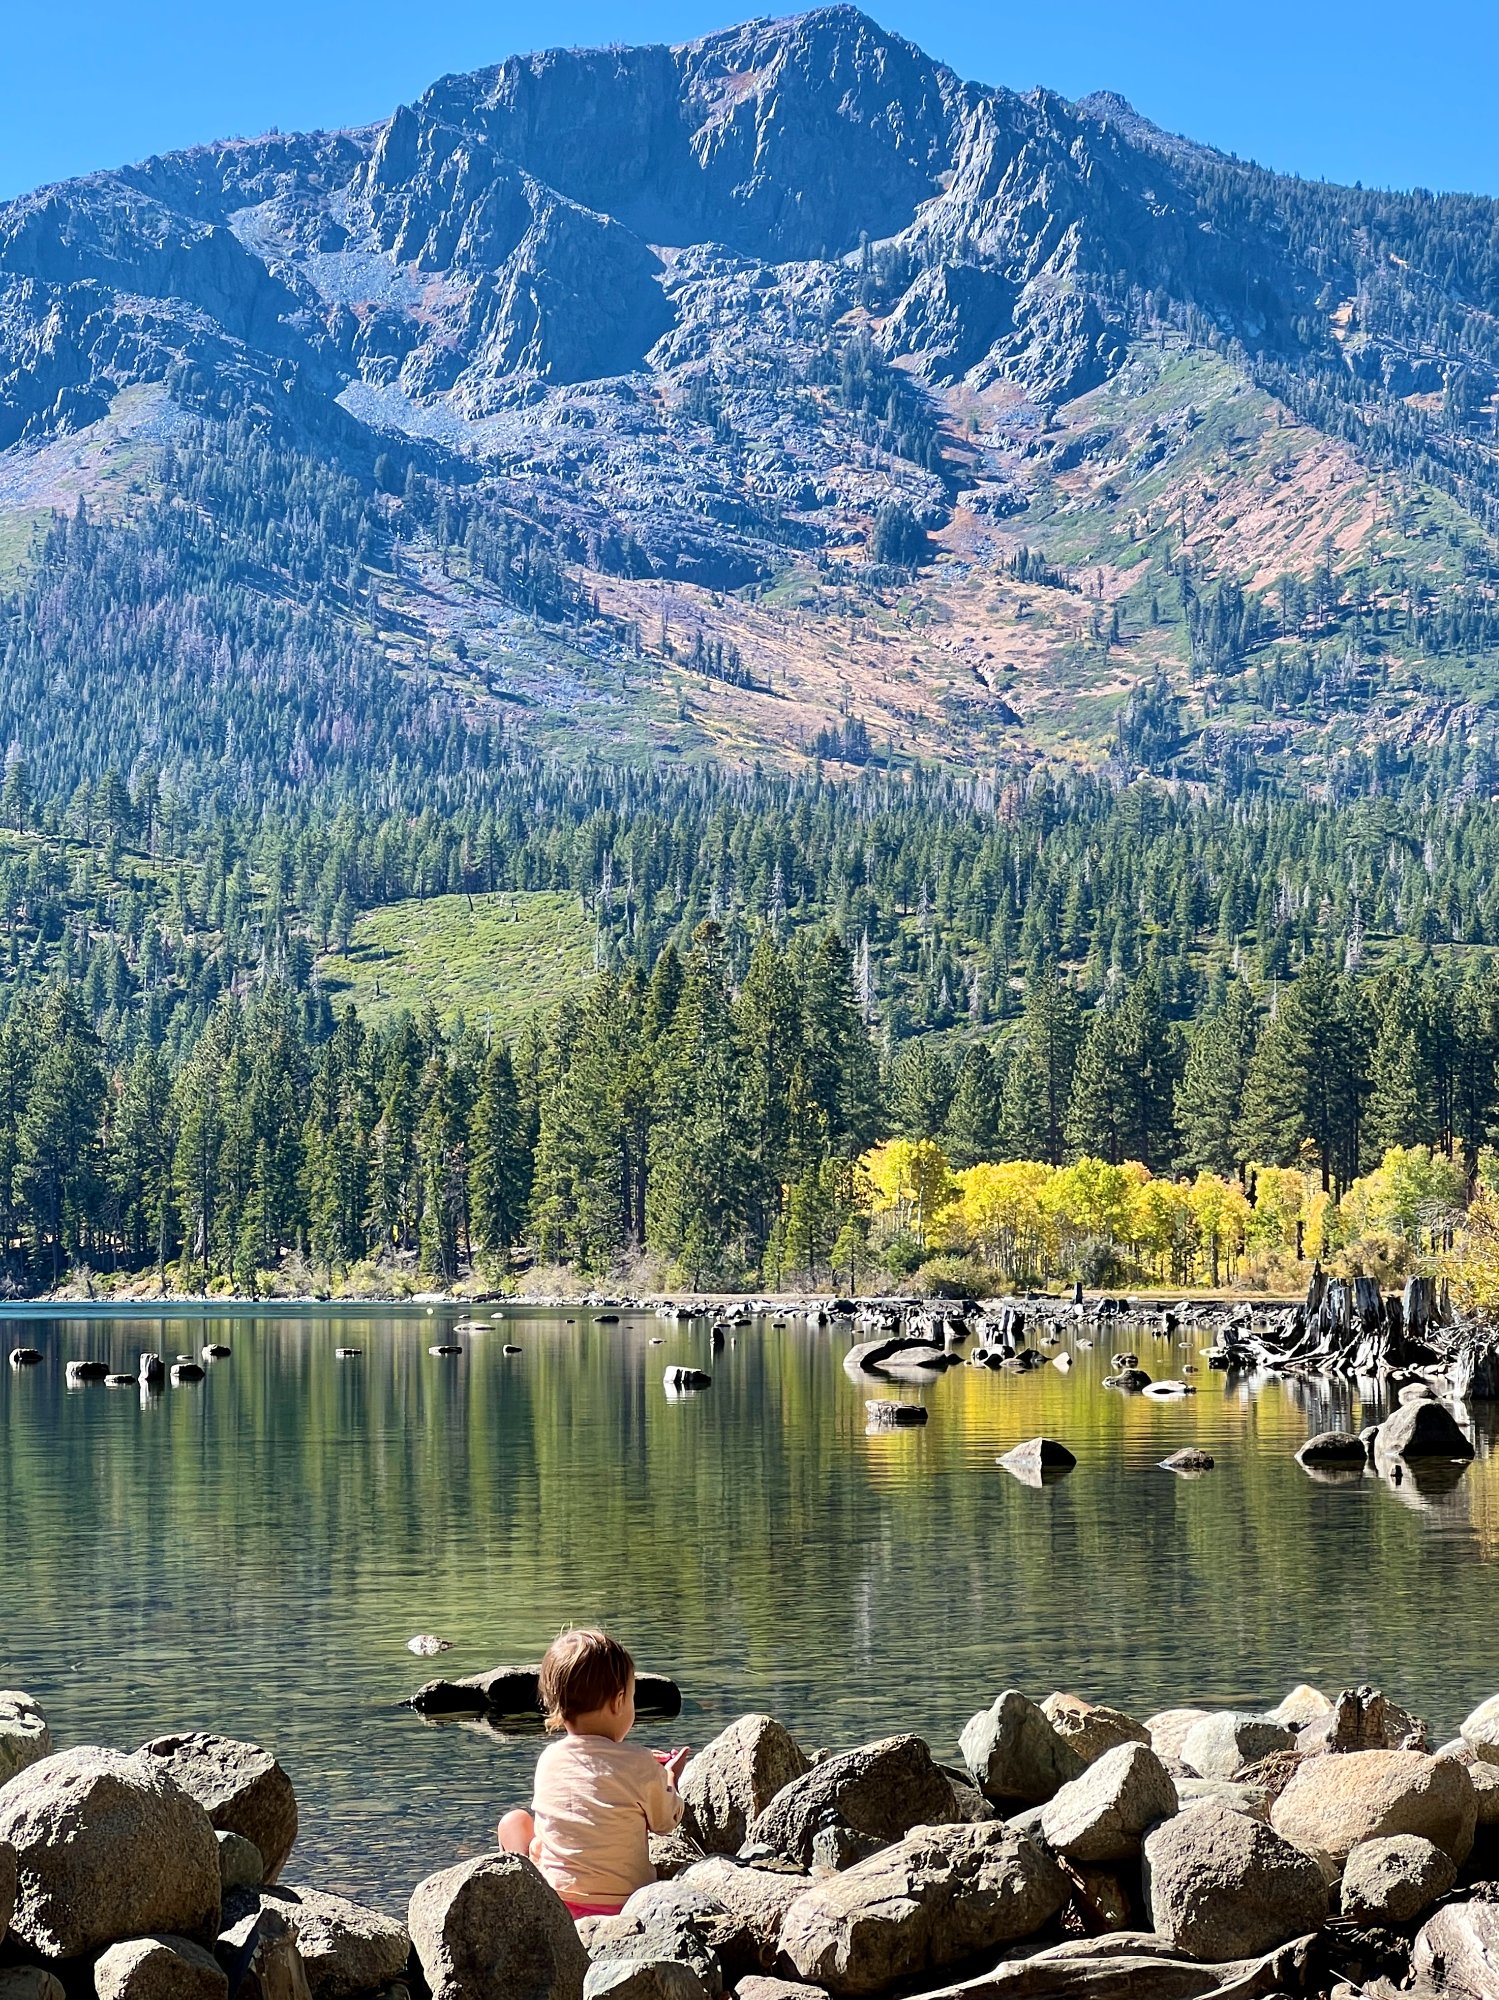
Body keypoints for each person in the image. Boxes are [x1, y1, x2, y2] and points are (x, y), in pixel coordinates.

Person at [498, 1628, 689, 1919]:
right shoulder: (640, 1763)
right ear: (618, 1702)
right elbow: (666, 1823)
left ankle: (526, 1897)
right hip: (625, 1905)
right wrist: (669, 1780)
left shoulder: (549, 1759)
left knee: (513, 1822)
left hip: (559, 1904)